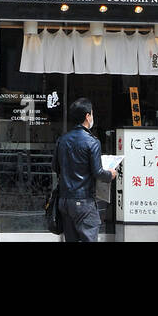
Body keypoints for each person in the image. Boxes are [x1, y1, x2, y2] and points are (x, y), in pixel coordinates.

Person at [53, 97, 117, 243]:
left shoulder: (62, 140)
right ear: (87, 116)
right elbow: (98, 172)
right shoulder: (92, 141)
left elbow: (55, 167)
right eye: (92, 114)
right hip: (83, 201)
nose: (92, 117)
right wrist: (110, 174)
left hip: (64, 200)